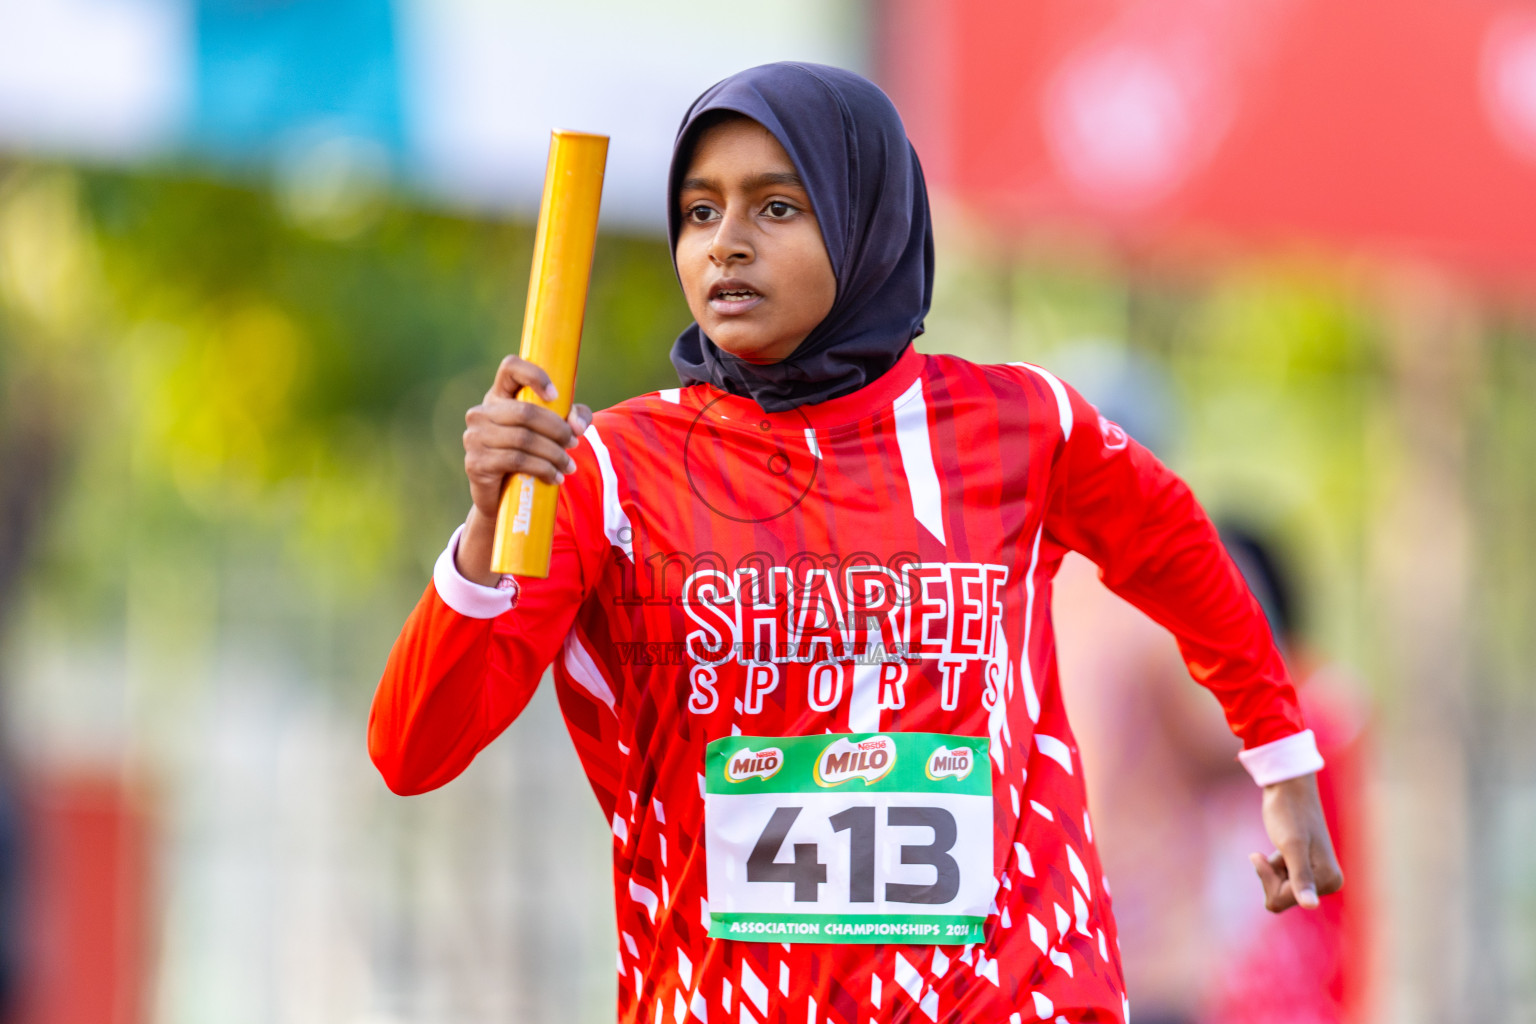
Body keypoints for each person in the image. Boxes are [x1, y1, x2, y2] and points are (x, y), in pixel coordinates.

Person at [368, 62, 1342, 1024]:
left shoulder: (1021, 424)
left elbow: (1180, 551)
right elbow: (414, 749)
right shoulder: (613, 472)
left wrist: (1281, 760)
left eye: (775, 208)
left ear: (865, 214)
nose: (726, 246)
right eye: (699, 211)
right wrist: (490, 529)